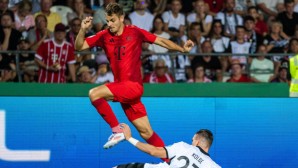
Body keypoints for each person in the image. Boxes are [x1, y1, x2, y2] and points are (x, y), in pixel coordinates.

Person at [75, 2, 194, 150]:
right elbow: (79, 47)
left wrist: (182, 49)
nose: (109, 24)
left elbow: (161, 40)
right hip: (123, 90)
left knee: (94, 94)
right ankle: (169, 160)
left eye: (113, 20)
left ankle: (117, 131)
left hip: (133, 86)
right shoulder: (103, 36)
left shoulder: (135, 32)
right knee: (146, 133)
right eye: (107, 21)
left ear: (121, 18)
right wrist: (82, 30)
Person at [114, 123, 221, 168]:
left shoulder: (184, 147)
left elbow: (153, 151)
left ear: (197, 141)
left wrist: (129, 138)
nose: (191, 142)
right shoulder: (213, 166)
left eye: (192, 140)